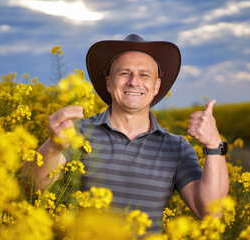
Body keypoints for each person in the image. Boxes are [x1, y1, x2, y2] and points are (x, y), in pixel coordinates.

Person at [21, 34, 229, 232]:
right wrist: (53, 146)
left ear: (156, 86)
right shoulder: (77, 133)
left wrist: (214, 145)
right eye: (124, 73)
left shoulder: (177, 147)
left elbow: (210, 212)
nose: (133, 81)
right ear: (109, 83)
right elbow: (29, 188)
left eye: (144, 75)